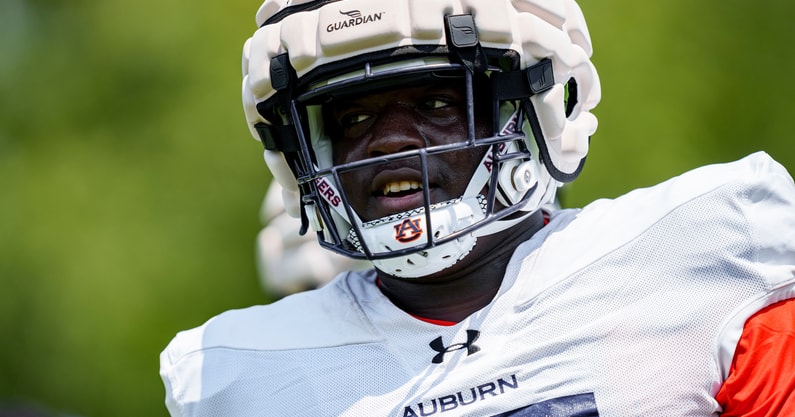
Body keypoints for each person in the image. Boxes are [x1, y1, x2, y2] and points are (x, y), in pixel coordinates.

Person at [159, 0, 795, 415]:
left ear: (534, 109)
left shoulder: (701, 253)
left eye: (437, 104)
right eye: (353, 117)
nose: (388, 139)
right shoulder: (234, 377)